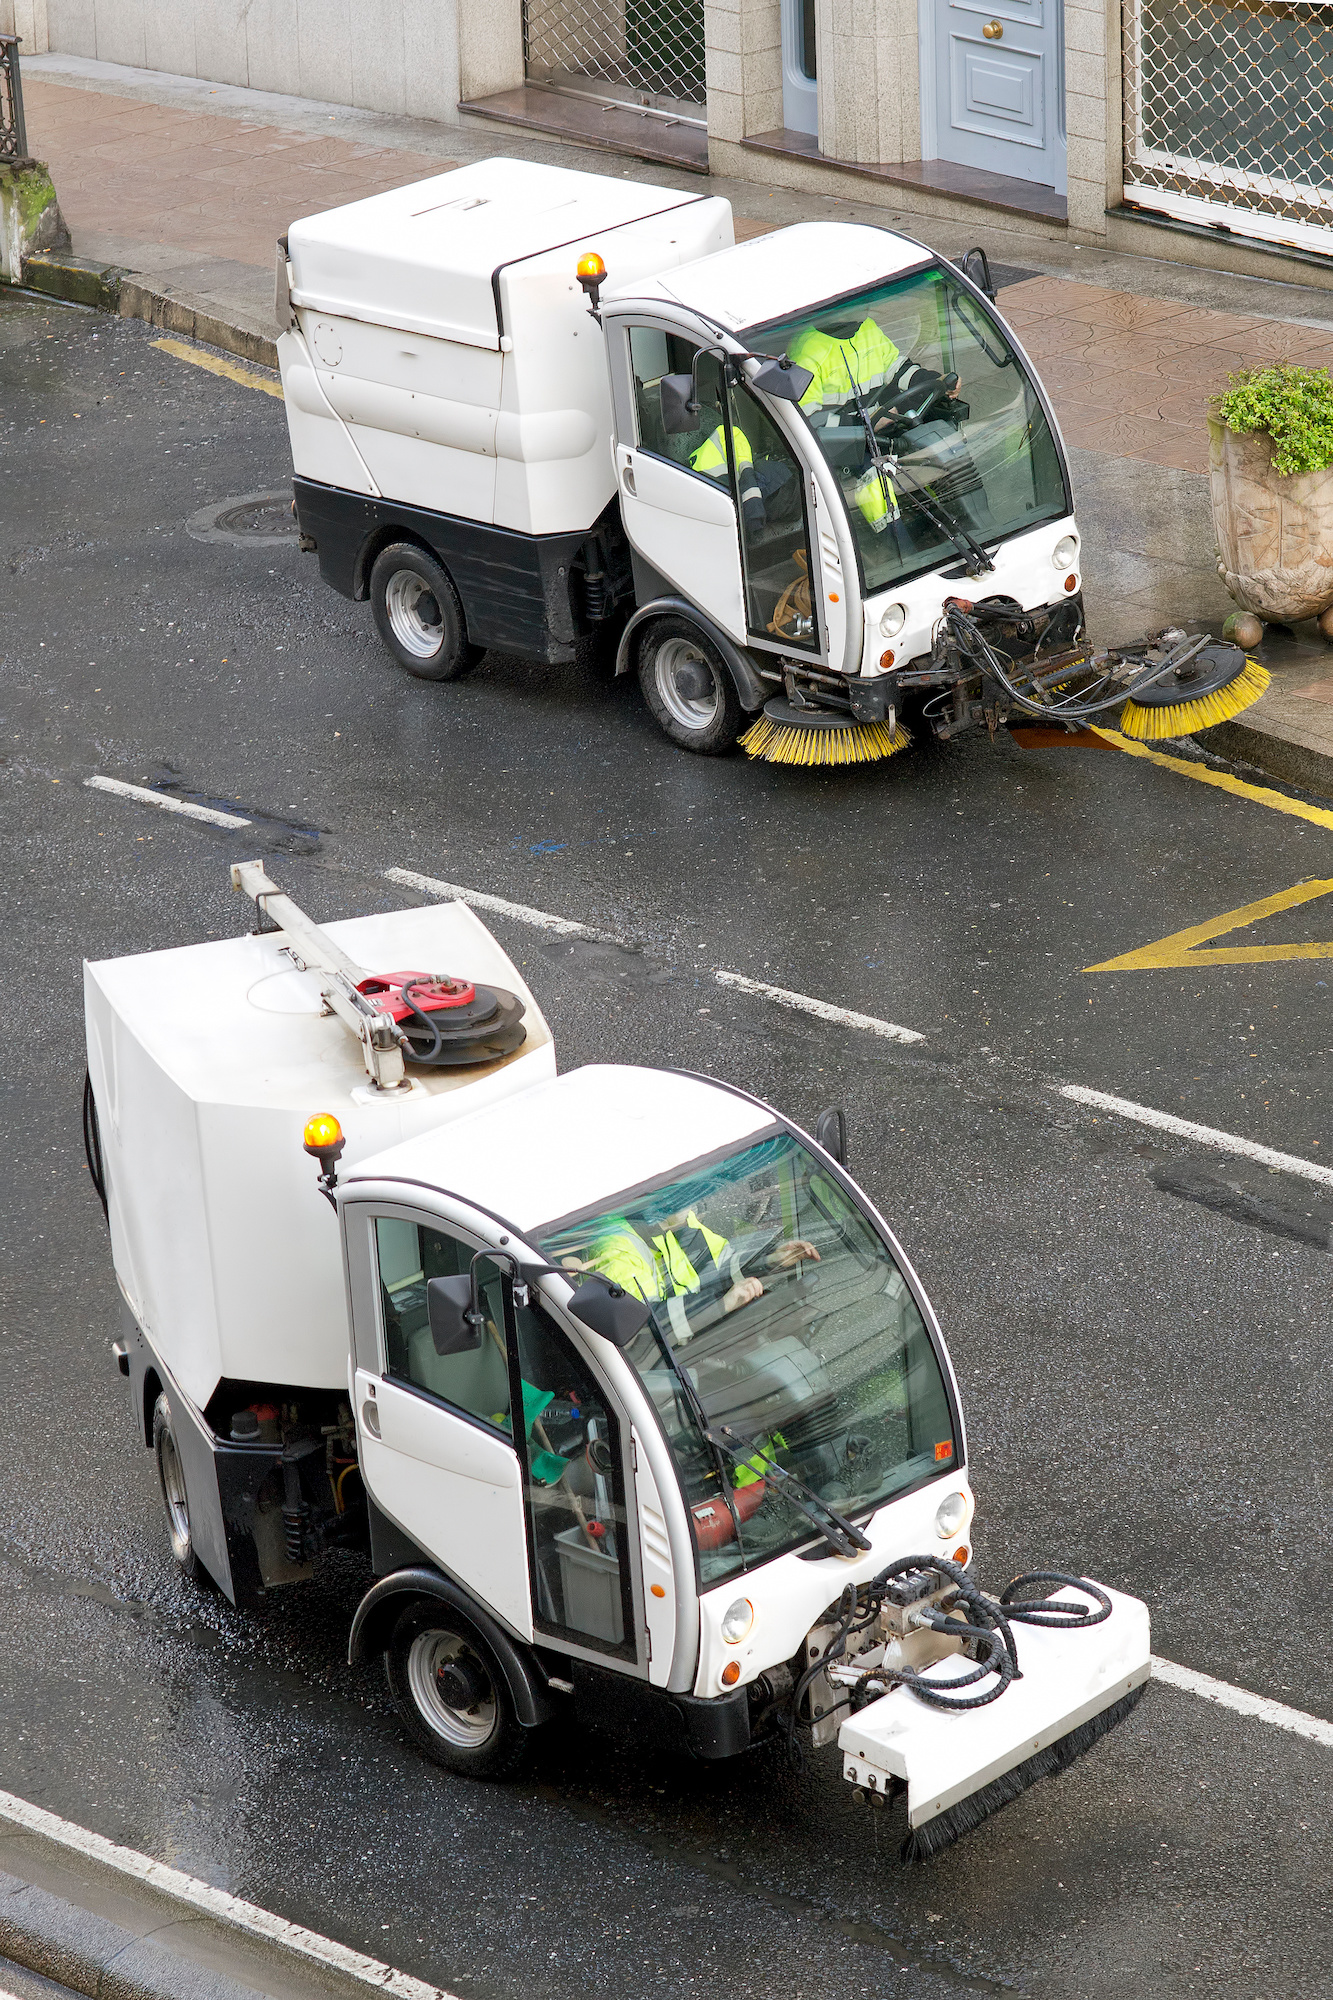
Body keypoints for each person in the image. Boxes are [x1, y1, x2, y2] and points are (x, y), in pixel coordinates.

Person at [562, 1208, 818, 1328]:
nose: (693, 1209)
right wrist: (721, 1305)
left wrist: (769, 1261)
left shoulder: (675, 1218)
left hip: (701, 1335)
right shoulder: (617, 1249)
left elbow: (722, 1263)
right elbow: (646, 1332)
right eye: (684, 1198)